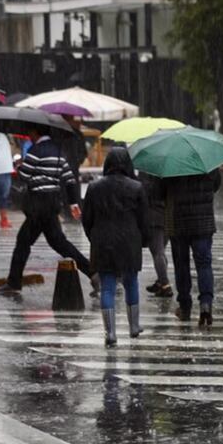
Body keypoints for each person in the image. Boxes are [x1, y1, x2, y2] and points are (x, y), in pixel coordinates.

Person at [0, 125, 99, 297]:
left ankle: (13, 283)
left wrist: (18, 164)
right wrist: (74, 203)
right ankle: (94, 274)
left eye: (30, 132)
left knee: (23, 242)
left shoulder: (36, 150)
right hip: (52, 203)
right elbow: (70, 179)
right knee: (59, 243)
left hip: (38, 205)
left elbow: (24, 176)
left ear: (36, 132)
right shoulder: (58, 151)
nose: (29, 135)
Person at [82, 148, 147, 346]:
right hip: (129, 241)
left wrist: (94, 237)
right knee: (131, 282)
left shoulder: (94, 188)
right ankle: (134, 326)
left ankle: (110, 333)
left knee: (107, 287)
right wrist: (142, 241)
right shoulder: (137, 188)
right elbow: (144, 220)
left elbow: (87, 220)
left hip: (103, 241)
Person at [163, 169, 221, 327]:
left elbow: (160, 192)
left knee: (181, 265)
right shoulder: (208, 163)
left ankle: (185, 307)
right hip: (203, 222)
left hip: (179, 221)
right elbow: (215, 185)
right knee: (204, 264)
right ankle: (206, 304)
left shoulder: (172, 164)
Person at [140, 171, 173, 297]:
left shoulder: (147, 173)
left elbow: (143, 192)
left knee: (157, 252)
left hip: (154, 216)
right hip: (166, 215)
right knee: (161, 251)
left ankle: (165, 284)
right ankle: (161, 281)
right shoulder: (169, 172)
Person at [59, 115, 88, 222]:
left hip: (73, 168)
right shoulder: (60, 133)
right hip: (62, 167)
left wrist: (77, 160)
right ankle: (66, 212)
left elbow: (84, 152)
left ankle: (73, 214)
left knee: (73, 191)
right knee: (64, 191)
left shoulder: (78, 135)